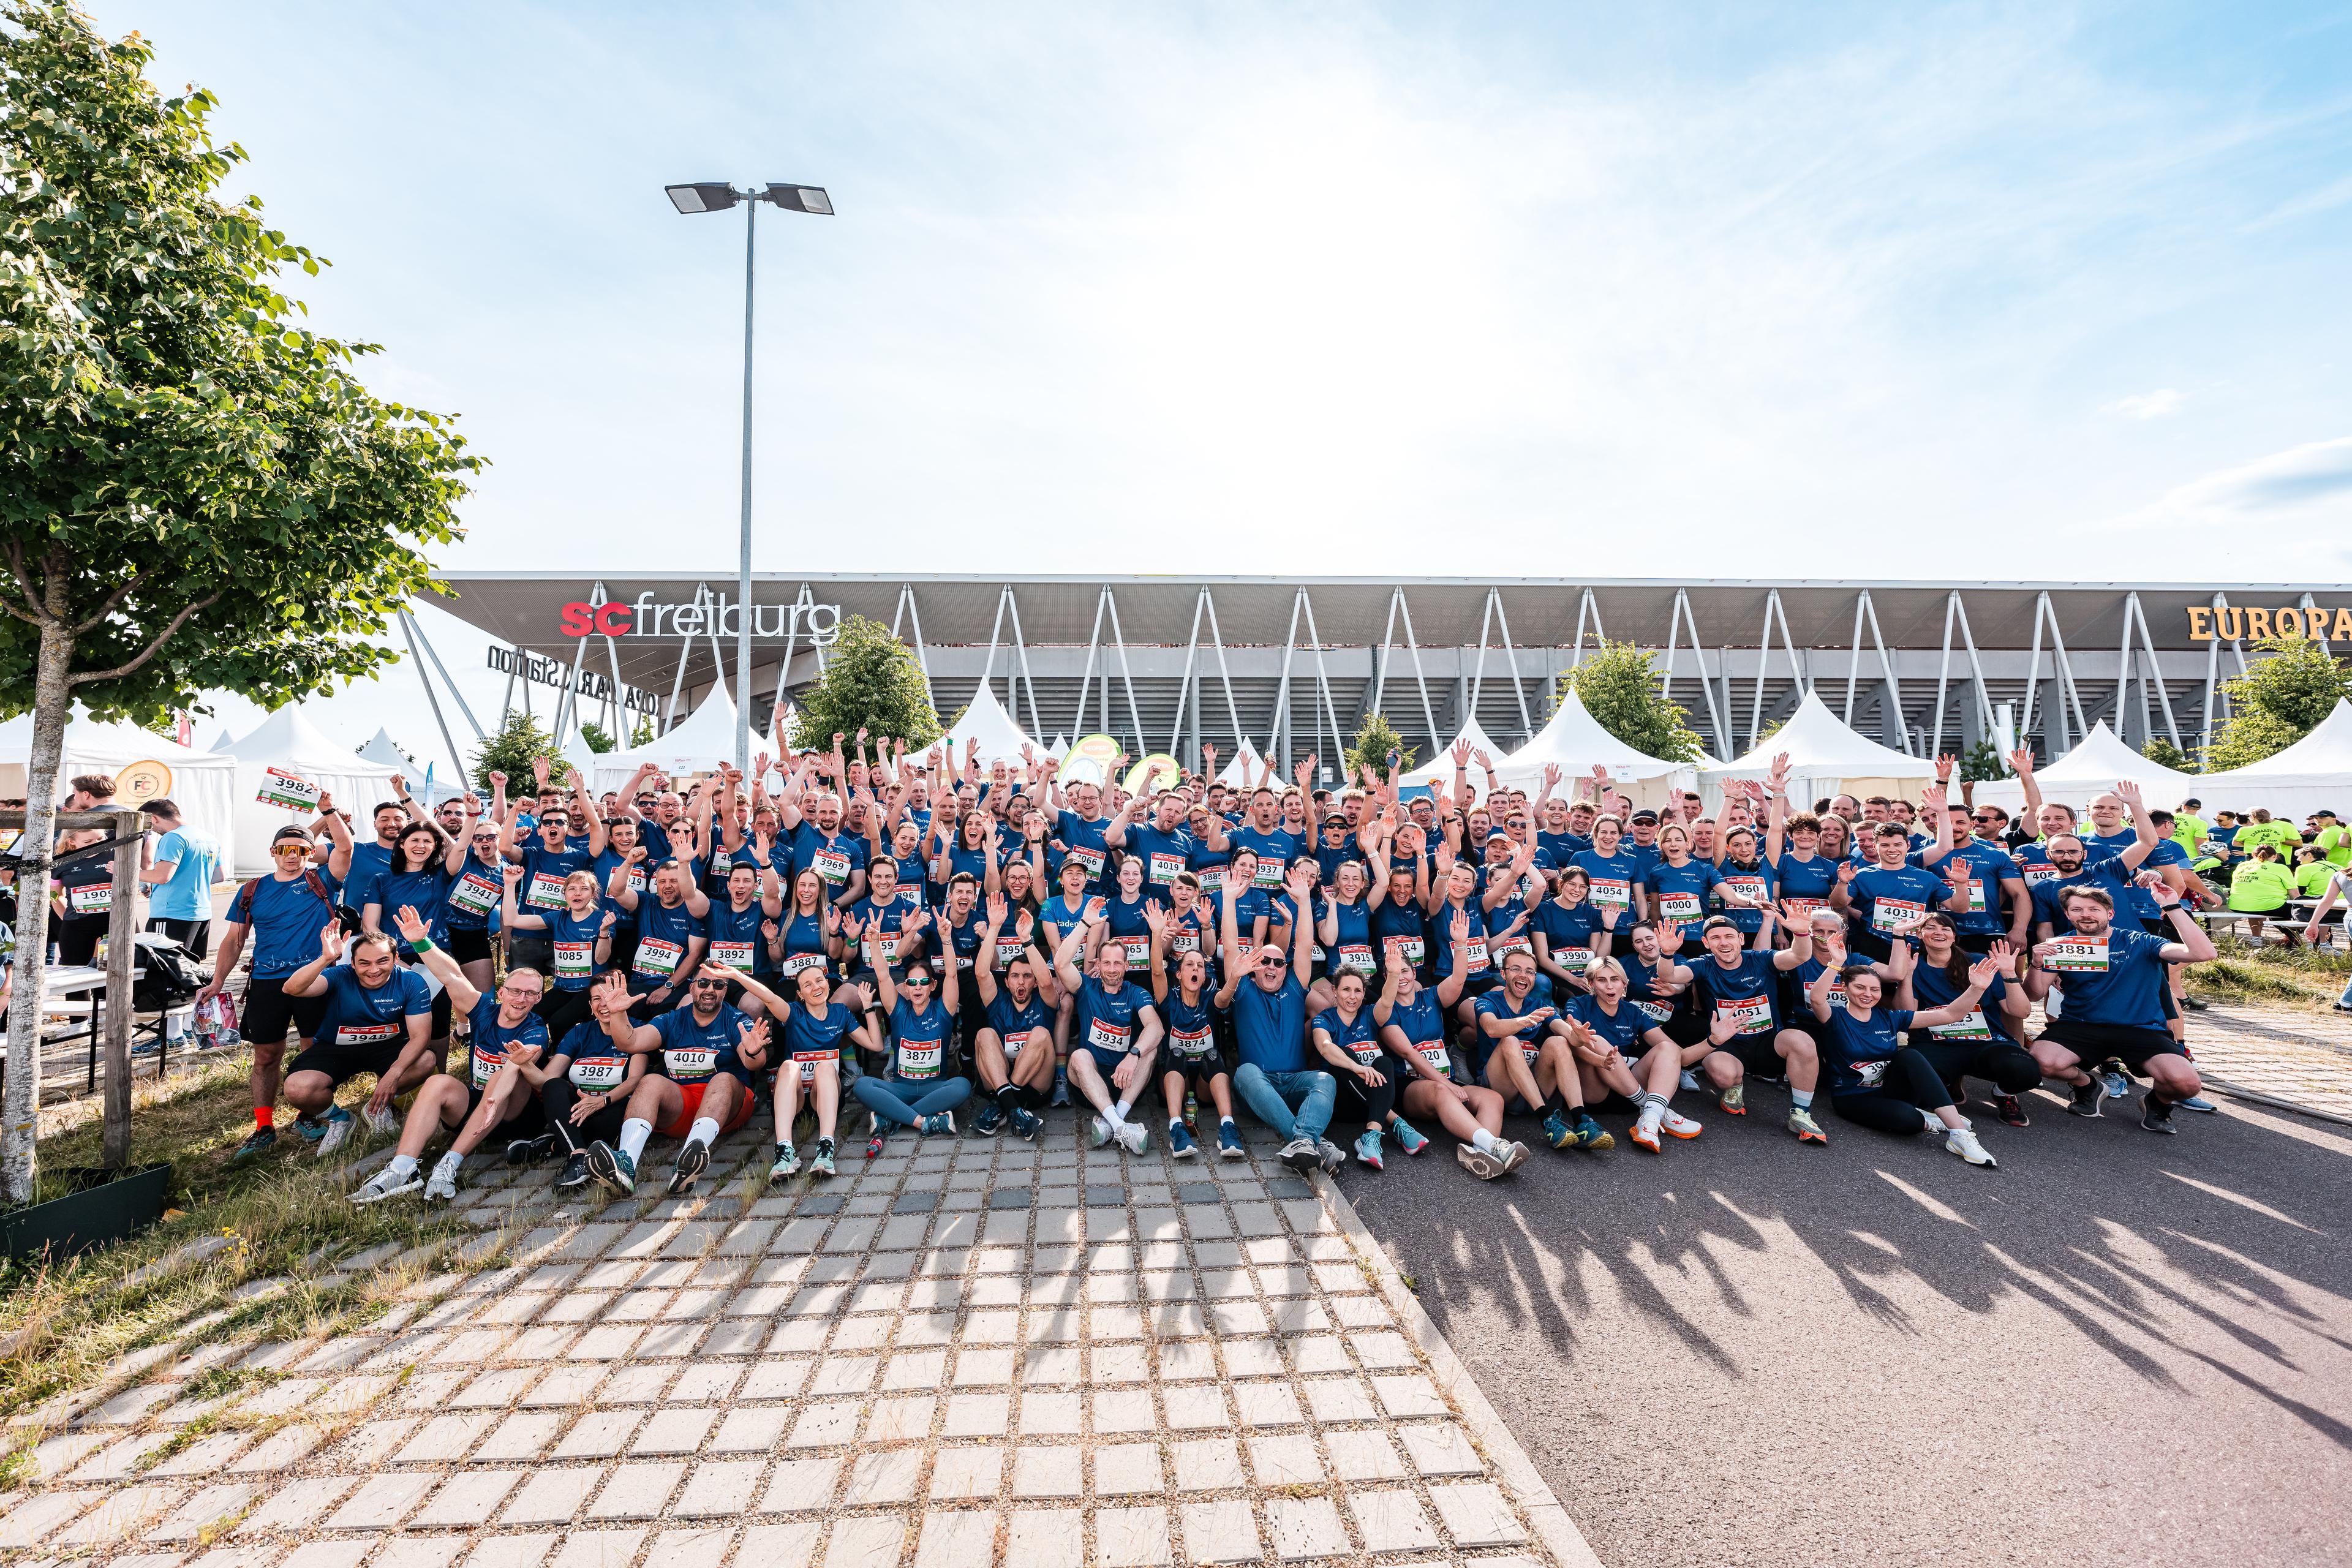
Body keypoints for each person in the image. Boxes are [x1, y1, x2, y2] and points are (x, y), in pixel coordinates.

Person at [350, 908, 556, 1204]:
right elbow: (452, 975)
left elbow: (514, 1069)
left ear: (538, 999)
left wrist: (495, 1098)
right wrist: (422, 943)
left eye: (531, 994)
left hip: (513, 1115)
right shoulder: (485, 1009)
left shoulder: (535, 1029)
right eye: (515, 991)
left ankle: (449, 1164)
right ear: (501, 992)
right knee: (438, 1083)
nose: (521, 999)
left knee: (504, 1073)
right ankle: (402, 1168)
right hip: (474, 1106)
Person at [195, 817, 355, 1159]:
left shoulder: (322, 880)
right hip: (268, 982)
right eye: (285, 850)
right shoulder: (252, 889)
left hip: (317, 978)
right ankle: (264, 1127)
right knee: (266, 1056)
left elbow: (345, 848)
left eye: (300, 850)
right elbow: (234, 940)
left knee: (314, 1050)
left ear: (310, 853)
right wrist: (218, 980)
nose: (292, 856)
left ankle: (308, 1115)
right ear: (273, 852)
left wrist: (328, 813)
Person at [2024, 880, 2217, 1133]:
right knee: (2041, 1062)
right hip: (2081, 1025)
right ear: (2067, 914)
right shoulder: (2061, 946)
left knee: (2187, 1084)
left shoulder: (2141, 942)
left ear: (2110, 913)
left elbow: (2204, 953)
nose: (2086, 915)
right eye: (2078, 910)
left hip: (2140, 1028)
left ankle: (2156, 1103)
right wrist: (2037, 964)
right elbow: (2034, 994)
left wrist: (2172, 906)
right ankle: (2088, 1087)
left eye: (2094, 909)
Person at [582, 960, 787, 1196]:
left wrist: (753, 1050)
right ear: (691, 988)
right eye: (703, 983)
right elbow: (630, 1042)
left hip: (726, 1108)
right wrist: (618, 1014)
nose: (710, 989)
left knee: (724, 1079)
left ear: (725, 991)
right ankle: (625, 1165)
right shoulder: (673, 1019)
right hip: (683, 1105)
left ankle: (689, 1159)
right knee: (649, 1081)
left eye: (718, 985)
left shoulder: (735, 1020)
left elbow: (755, 1062)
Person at [1806, 952, 2002, 1167]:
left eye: (1875, 989)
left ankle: (1959, 1136)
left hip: (1891, 1090)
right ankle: (1927, 1117)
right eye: (1860, 987)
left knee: (1910, 1055)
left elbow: (1950, 1015)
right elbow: (1816, 998)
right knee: (1911, 1123)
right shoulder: (1835, 1017)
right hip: (1853, 1098)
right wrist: (1836, 964)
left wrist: (1977, 988)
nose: (1868, 995)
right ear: (1844, 987)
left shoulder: (1890, 1017)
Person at [1219, 862, 1343, 1175]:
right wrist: (1230, 901)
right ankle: (1311, 1141)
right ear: (1254, 966)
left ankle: (1302, 1142)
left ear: (1286, 968)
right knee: (1244, 1072)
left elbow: (1304, 945)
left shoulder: (1295, 984)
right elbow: (1232, 944)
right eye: (1264, 962)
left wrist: (1304, 901)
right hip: (1257, 1089)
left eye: (1278, 962)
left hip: (1293, 1083)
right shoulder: (1243, 986)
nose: (1272, 967)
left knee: (1325, 1079)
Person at [277, 923, 442, 1157]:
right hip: (337, 1047)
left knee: (425, 1060)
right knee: (297, 1089)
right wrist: (325, 959)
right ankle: (340, 1120)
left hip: (389, 1046)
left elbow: (420, 1036)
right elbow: (291, 988)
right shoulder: (339, 975)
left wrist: (393, 1076)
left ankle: (377, 1108)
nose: (373, 970)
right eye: (364, 963)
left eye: (382, 961)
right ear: (352, 963)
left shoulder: (412, 981)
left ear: (395, 958)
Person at [1371, 944, 1523, 1178]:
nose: (1401, 978)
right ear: (1386, 978)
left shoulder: (1431, 995)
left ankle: (1478, 1155)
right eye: (1394, 973)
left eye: (1405, 971)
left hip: (1446, 1082)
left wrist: (1461, 945)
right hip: (1412, 1087)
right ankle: (1494, 1145)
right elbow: (1409, 1054)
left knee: (1493, 1098)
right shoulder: (1384, 1011)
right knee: (1441, 1089)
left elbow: (1459, 978)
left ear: (1414, 973)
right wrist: (1449, 1085)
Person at [1686, 911, 1825, 1142]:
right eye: (1716, 938)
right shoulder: (1703, 964)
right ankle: (1735, 1087)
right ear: (1706, 943)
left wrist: (1801, 933)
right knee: (1719, 1071)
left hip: (1768, 1043)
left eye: (1729, 936)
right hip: (1730, 1046)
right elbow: (1672, 974)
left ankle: (1801, 1113)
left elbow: (1798, 956)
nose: (1724, 942)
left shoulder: (1760, 958)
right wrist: (1668, 953)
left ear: (1741, 939)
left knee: (1802, 1041)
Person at [1892, 918, 2038, 1126]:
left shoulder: (1979, 962)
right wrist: (1907, 976)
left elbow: (2021, 1011)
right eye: (1930, 928)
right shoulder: (1916, 965)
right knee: (1913, 1090)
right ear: (1919, 935)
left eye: (1945, 928)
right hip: (1936, 1044)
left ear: (1954, 935)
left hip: (1987, 1043)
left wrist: (2008, 973)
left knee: (2026, 1071)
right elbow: (1906, 1014)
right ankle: (1949, 1081)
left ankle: (2003, 1094)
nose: (1938, 932)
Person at [1050, 895, 1166, 1154]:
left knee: (1151, 1050)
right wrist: (1085, 924)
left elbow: (1156, 1028)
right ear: (1097, 964)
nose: (1112, 969)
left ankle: (1112, 1123)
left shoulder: (1136, 993)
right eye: (1107, 963)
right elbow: (1060, 964)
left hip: (1125, 1083)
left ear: (1127, 965)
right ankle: (1123, 1129)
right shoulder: (1086, 987)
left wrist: (1133, 1056)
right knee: (1079, 1056)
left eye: (1117, 963)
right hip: (1087, 1082)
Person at [853, 916, 973, 1154]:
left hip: (935, 1088)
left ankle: (893, 1118)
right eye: (912, 982)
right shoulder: (898, 1010)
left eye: (924, 982)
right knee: (862, 1085)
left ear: (932, 986)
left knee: (962, 1085)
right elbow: (883, 976)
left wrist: (947, 940)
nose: (918, 987)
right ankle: (923, 1122)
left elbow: (951, 974)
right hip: (901, 1087)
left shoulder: (944, 1009)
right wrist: (874, 943)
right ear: (906, 987)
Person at [1473, 944, 1608, 1152]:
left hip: (1536, 1086)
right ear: (1503, 974)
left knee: (1558, 1042)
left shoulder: (1538, 1005)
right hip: (1502, 1088)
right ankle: (1547, 1120)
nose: (1523, 975)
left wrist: (1577, 1037)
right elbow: (1491, 1028)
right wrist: (1523, 1021)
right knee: (1510, 1041)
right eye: (1516, 969)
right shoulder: (1487, 1000)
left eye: (1529, 972)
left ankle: (1581, 1120)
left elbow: (1563, 1030)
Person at [1566, 956, 1700, 1153]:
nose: (1610, 986)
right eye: (1602, 980)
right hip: (1594, 1093)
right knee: (1598, 1041)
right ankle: (1656, 1110)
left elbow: (1680, 1056)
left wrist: (1714, 1040)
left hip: (1627, 1092)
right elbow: (1571, 1039)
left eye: (1615, 979)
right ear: (1591, 983)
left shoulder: (1633, 1011)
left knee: (1667, 1048)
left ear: (1624, 983)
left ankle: (1649, 1121)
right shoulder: (1578, 1004)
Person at [1144, 901, 1242, 1159]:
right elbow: (1156, 972)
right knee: (1176, 1054)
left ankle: (1228, 1127)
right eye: (1189, 965)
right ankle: (1176, 1129)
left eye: (1200, 965)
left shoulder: (1210, 998)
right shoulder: (1170, 999)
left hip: (1204, 1085)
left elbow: (1223, 999)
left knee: (1213, 1056)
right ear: (1178, 974)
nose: (1196, 969)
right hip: (1175, 1081)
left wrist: (1234, 978)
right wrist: (1156, 934)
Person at [1310, 962, 1427, 1169]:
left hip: (1372, 1105)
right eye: (1346, 989)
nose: (1352, 996)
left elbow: (1388, 1001)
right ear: (1335, 991)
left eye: (1358, 990)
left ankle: (1371, 1135)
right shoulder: (1324, 1019)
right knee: (1342, 1055)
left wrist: (1393, 974)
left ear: (1364, 993)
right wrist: (1357, 1067)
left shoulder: (1370, 1015)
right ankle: (1396, 1122)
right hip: (1341, 1103)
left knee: (1384, 1062)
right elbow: (1326, 1047)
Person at [767, 961, 875, 1178]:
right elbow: (768, 998)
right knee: (788, 1066)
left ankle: (826, 1150)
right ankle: (784, 1151)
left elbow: (876, 1045)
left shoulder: (840, 1012)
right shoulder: (794, 1013)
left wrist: (868, 1006)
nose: (816, 987)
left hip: (825, 1096)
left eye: (819, 981)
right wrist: (737, 975)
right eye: (807, 985)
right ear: (800, 994)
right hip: (793, 1099)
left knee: (826, 1067)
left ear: (828, 983)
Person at [971, 892, 1056, 1140]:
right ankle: (1015, 1112)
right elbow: (981, 973)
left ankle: (1002, 1107)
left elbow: (1047, 981)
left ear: (1035, 982)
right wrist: (994, 927)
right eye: (1016, 976)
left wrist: (1027, 940)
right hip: (999, 1078)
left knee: (1041, 1034)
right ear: (1006, 982)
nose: (1022, 981)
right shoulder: (998, 1001)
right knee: (984, 1034)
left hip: (1034, 1085)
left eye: (1027, 976)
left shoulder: (1044, 1000)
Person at [138, 799, 223, 958]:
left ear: (154, 819)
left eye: (150, 826)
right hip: (201, 913)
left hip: (171, 913)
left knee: (164, 968)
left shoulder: (173, 837)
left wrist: (124, 871)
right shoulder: (209, 837)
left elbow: (162, 877)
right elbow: (218, 876)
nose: (153, 831)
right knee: (191, 967)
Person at [2225, 843, 2298, 947]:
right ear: (2275, 856)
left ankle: (2256, 938)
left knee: (2258, 906)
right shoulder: (2281, 868)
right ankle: (2294, 938)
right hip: (2269, 906)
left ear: (2253, 855)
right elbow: (2294, 893)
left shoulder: (2241, 866)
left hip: (2238, 906)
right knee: (2286, 909)